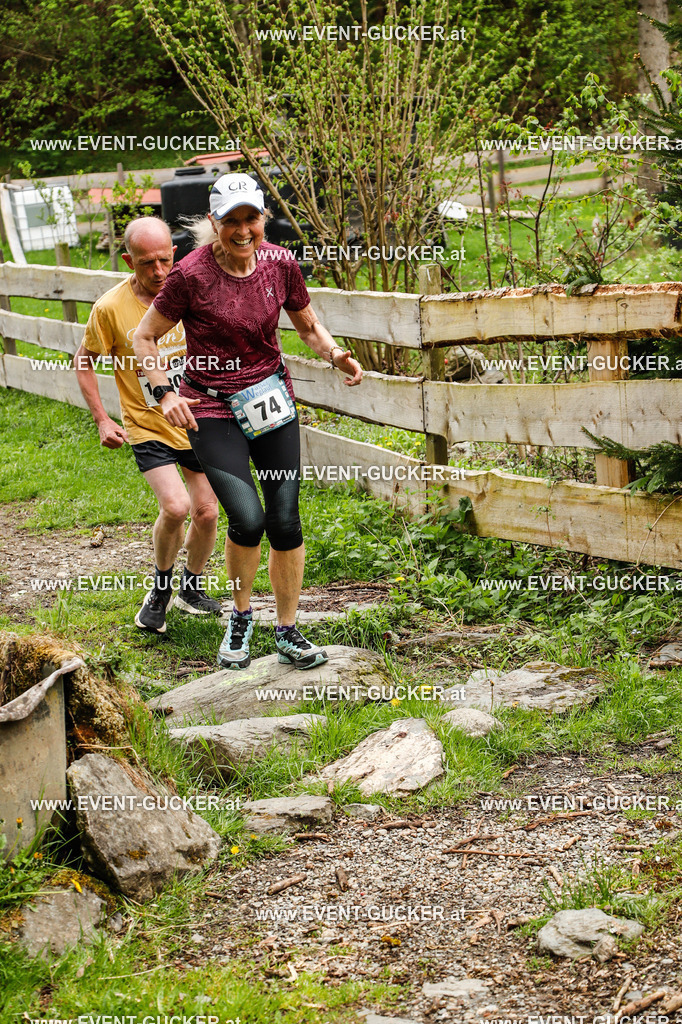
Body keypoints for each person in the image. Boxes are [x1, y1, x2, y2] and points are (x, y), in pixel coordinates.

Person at [132, 173, 363, 671]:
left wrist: (335, 352)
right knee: (248, 519)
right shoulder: (190, 275)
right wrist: (165, 391)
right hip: (213, 409)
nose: (242, 231)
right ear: (214, 223)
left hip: (270, 401)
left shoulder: (281, 264)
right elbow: (144, 337)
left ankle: (288, 629)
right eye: (231, 221)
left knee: (284, 520)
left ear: (264, 219)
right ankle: (240, 617)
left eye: (251, 219)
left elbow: (306, 323)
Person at [75, 216, 221, 634]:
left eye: (164, 261)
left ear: (174, 254)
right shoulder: (110, 308)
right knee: (176, 507)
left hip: (195, 420)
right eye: (146, 264)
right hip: (147, 424)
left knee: (207, 513)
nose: (158, 272)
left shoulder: (189, 291)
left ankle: (190, 588)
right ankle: (159, 588)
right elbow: (83, 362)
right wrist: (102, 419)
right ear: (128, 261)